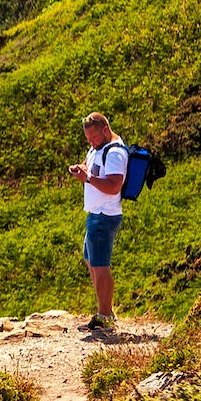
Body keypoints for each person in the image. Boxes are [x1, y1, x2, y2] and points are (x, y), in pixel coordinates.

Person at [69, 112, 128, 331]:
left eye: (94, 137)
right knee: (90, 260)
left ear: (105, 130)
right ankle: (105, 311)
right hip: (95, 214)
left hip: (106, 215)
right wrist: (81, 169)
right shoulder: (97, 148)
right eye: (88, 139)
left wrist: (87, 178)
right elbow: (89, 166)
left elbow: (114, 186)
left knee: (100, 264)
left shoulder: (115, 153)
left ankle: (104, 316)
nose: (91, 142)